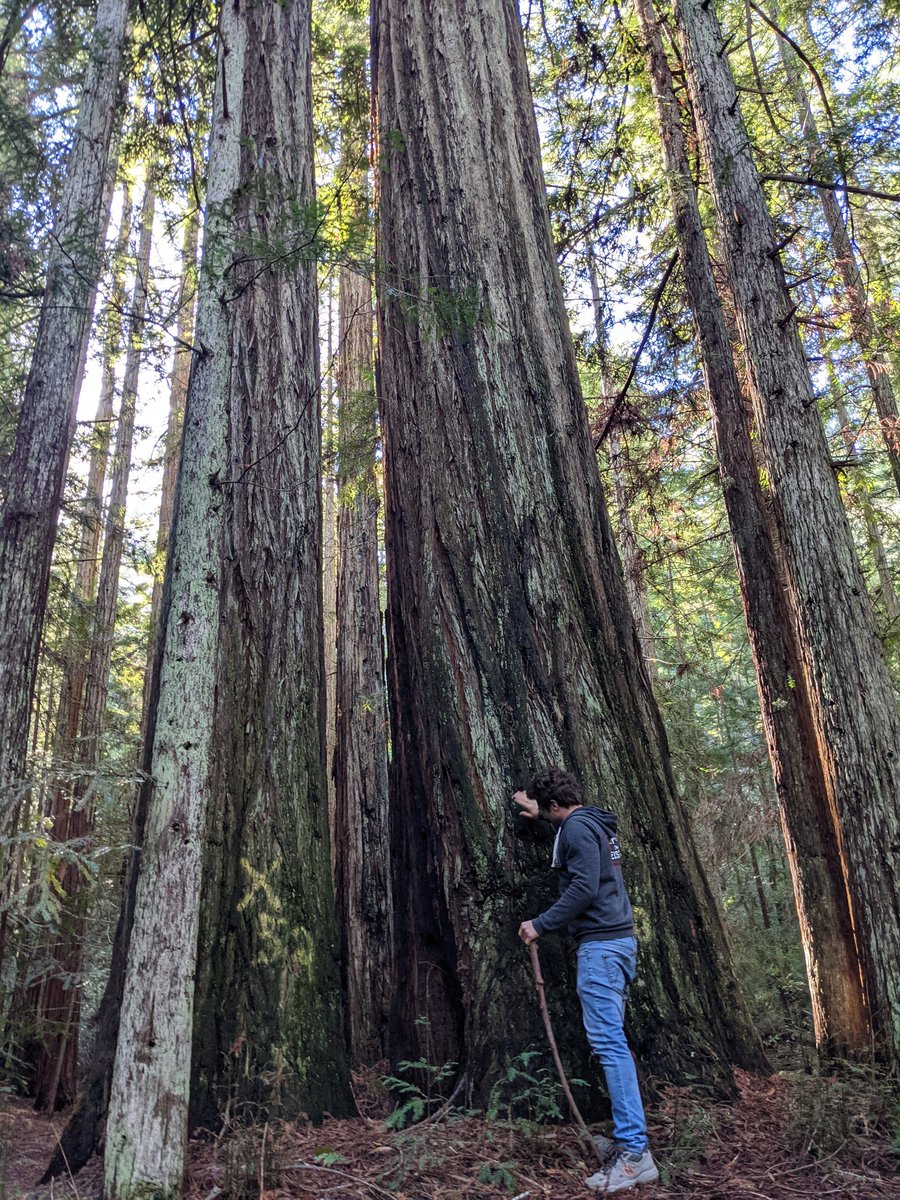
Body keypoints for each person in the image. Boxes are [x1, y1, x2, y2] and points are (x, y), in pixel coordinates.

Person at [515, 766, 659, 1195]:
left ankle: (635, 1154)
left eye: (545, 809)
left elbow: (583, 888)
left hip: (601, 950)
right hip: (616, 944)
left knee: (610, 1046)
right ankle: (629, 1143)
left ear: (554, 805)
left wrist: (540, 924)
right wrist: (541, 816)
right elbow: (585, 861)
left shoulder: (576, 829)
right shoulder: (592, 823)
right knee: (612, 1044)